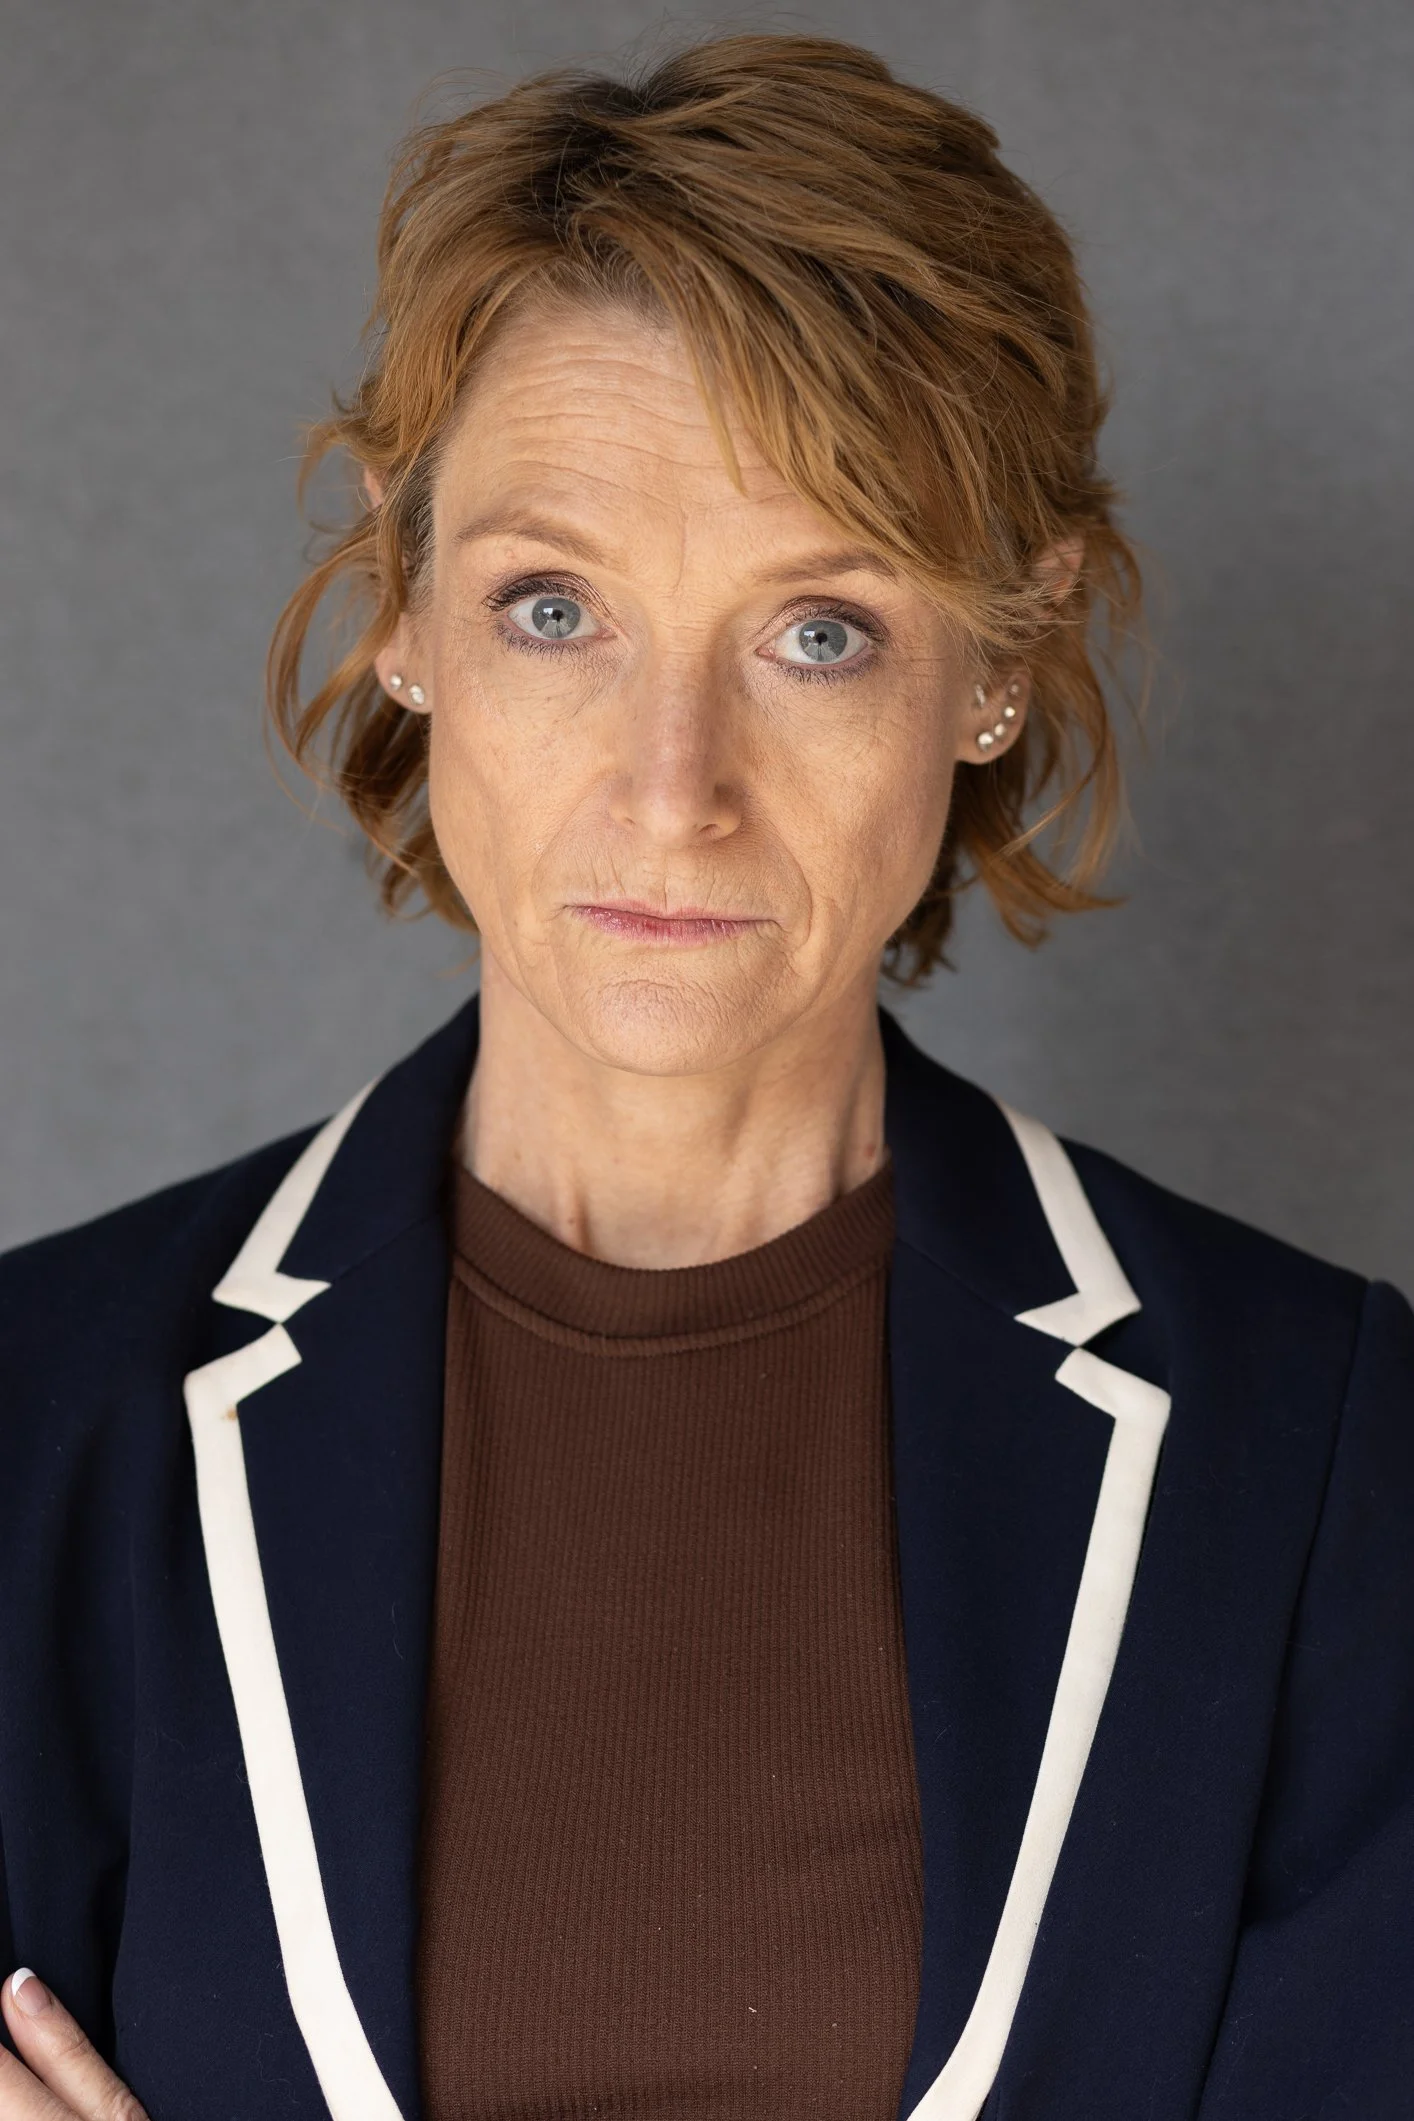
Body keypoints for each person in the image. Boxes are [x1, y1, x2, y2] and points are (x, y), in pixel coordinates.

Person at [1, 32, 1410, 2121]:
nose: (673, 795)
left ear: (999, 657)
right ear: (402, 606)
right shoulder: (35, 1419)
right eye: (554, 606)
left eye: (815, 629)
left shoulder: (1311, 1456)